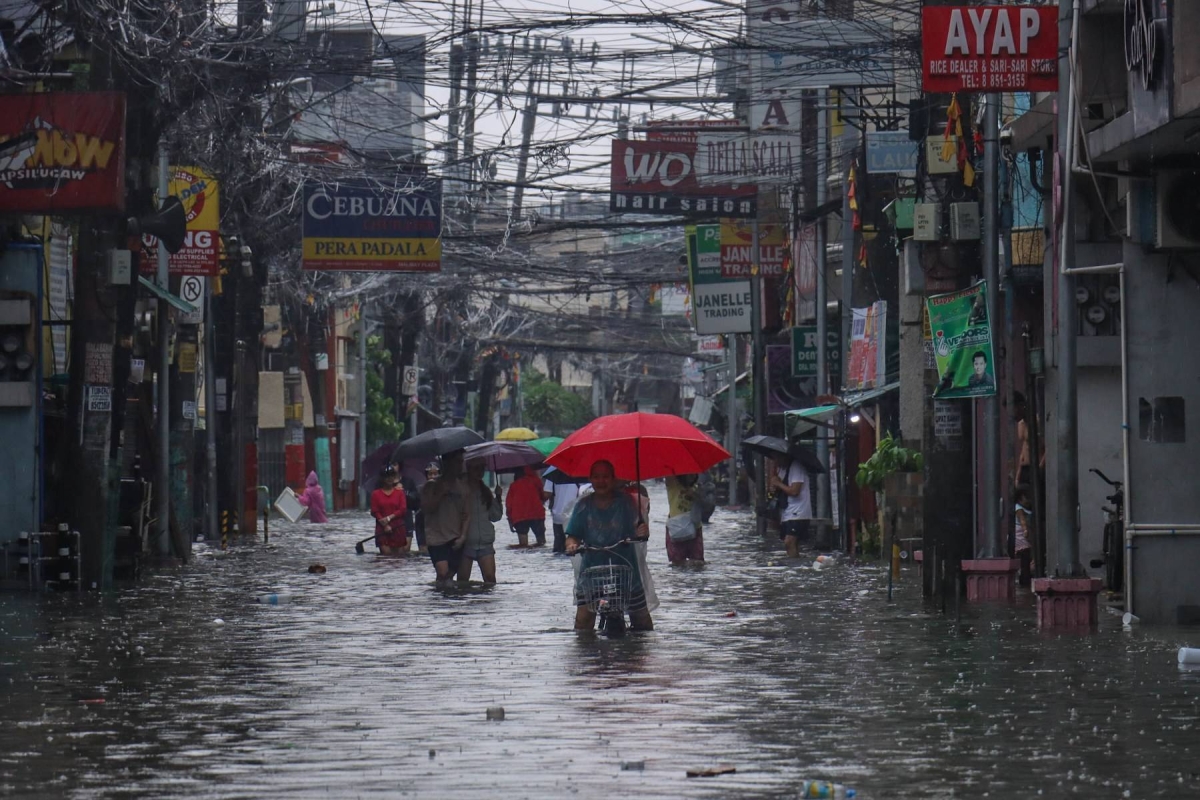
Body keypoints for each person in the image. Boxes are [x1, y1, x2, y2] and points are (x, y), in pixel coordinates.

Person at [564, 460, 652, 631]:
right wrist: (572, 545)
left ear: (613, 479)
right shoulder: (583, 506)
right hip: (592, 571)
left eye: (605, 477)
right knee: (583, 622)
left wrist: (642, 530)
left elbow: (638, 530)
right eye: (596, 477)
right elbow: (572, 535)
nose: (601, 481)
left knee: (642, 622)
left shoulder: (627, 503)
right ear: (590, 479)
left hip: (625, 569)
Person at [420, 450, 469, 586]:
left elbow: (466, 514)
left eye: (461, 462)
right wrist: (440, 493)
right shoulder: (431, 485)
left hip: (455, 538)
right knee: (443, 573)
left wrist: (463, 536)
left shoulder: (462, 487)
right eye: (457, 462)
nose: (461, 465)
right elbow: (426, 508)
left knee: (448, 579)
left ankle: (443, 602)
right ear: (447, 463)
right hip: (436, 538)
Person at [460, 458, 502, 584]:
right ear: (468, 469)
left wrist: (498, 498)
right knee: (462, 582)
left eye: (482, 468)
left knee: (490, 579)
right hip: (465, 543)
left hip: (485, 542)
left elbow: (496, 516)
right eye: (476, 468)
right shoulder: (461, 491)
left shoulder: (485, 492)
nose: (479, 472)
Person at [770, 455, 812, 558]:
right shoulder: (781, 470)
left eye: (778, 458)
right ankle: (795, 565)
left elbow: (794, 491)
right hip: (787, 511)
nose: (776, 461)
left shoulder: (796, 467)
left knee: (789, 541)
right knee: (790, 543)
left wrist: (779, 484)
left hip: (798, 512)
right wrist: (774, 487)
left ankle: (795, 566)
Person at [665, 474, 705, 565]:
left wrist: (696, 495)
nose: (691, 475)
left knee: (698, 563)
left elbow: (705, 505)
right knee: (677, 563)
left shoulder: (697, 487)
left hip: (695, 527)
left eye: (693, 474)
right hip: (675, 528)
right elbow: (668, 475)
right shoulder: (673, 484)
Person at [370, 464, 409, 555]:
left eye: (392, 475)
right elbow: (375, 511)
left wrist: (389, 518)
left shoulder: (400, 493)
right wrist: (384, 525)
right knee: (385, 558)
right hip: (382, 529)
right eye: (387, 476)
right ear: (382, 478)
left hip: (398, 528)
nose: (389, 478)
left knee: (398, 559)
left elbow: (402, 509)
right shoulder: (376, 494)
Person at [506, 465, 547, 547]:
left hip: (519, 516)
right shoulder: (536, 481)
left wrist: (510, 521)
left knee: (523, 545)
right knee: (541, 543)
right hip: (537, 514)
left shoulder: (513, 485)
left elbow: (508, 505)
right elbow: (544, 496)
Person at [543, 473, 581, 554]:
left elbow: (547, 493)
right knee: (574, 547)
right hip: (574, 515)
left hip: (558, 515)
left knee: (558, 547)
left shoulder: (553, 472)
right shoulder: (578, 471)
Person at [1014, 487, 1034, 586]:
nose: (1029, 500)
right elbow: (1022, 520)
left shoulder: (1026, 508)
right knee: (1024, 558)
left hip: (1026, 537)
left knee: (1026, 559)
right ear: (1021, 498)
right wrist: (1025, 530)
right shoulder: (1019, 508)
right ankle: (1025, 581)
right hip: (1021, 537)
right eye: (1026, 498)